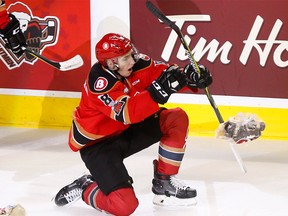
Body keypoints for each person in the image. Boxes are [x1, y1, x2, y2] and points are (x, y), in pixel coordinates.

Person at [53, 32, 212, 215]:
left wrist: (189, 76)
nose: (133, 61)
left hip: (126, 131)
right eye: (126, 58)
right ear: (112, 63)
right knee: (124, 206)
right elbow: (128, 113)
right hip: (98, 146)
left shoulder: (136, 65)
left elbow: (165, 75)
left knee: (175, 118)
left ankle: (164, 181)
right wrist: (160, 89)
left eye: (131, 54)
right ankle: (85, 187)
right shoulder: (99, 83)